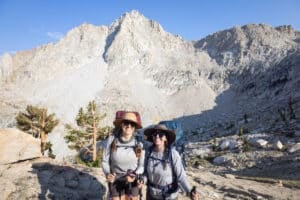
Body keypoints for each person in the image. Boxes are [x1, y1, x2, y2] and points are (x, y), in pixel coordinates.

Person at [142, 124, 198, 200]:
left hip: (169, 196)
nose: (157, 137)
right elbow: (145, 172)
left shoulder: (173, 154)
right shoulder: (149, 152)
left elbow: (181, 176)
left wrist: (189, 191)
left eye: (161, 135)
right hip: (151, 195)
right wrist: (142, 180)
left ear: (165, 138)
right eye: (155, 134)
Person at [102, 112, 145, 200]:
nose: (129, 126)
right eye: (126, 123)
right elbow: (104, 161)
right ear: (121, 124)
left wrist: (135, 175)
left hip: (132, 181)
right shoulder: (112, 140)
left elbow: (141, 165)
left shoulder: (139, 143)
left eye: (132, 124)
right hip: (115, 179)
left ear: (134, 127)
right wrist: (108, 174)